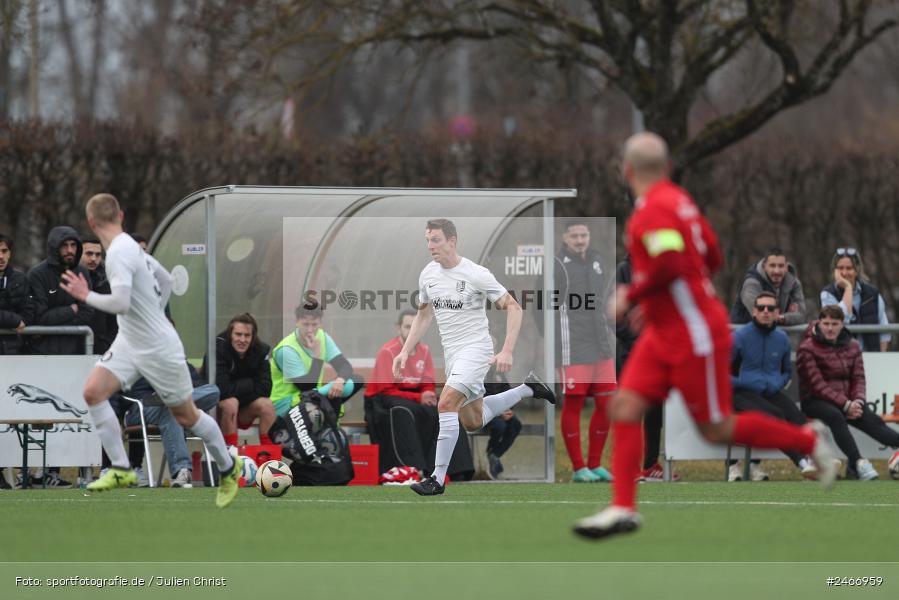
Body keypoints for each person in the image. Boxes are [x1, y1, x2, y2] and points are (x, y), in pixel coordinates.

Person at [573, 132, 837, 540]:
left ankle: (806, 437)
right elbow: (713, 255)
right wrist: (670, 300)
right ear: (668, 168)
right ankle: (623, 507)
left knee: (715, 427)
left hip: (693, 331)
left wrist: (635, 294)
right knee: (624, 405)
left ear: (626, 171)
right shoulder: (681, 202)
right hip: (667, 329)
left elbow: (670, 260)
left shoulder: (651, 211)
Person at [59, 193, 242, 507]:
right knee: (93, 392)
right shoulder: (131, 247)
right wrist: (151, 315)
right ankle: (120, 468)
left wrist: (85, 295)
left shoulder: (118, 252)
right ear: (122, 215)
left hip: (158, 347)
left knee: (186, 415)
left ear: (91, 222)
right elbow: (166, 279)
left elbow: (121, 302)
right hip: (132, 340)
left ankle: (228, 467)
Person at [393, 218, 556, 496]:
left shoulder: (476, 273)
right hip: (454, 355)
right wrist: (405, 349)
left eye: (436, 240)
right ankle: (528, 388)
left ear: (452, 240)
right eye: (428, 240)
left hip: (476, 350)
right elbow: (424, 314)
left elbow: (514, 307)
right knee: (472, 421)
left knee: (446, 403)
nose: (430, 246)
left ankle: (437, 478)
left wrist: (506, 350)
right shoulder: (428, 275)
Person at [538, 219, 616, 483]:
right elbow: (540, 304)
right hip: (572, 347)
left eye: (584, 235)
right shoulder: (556, 265)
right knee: (574, 403)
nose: (580, 240)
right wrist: (551, 339)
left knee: (607, 404)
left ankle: (595, 464)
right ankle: (578, 468)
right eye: (575, 236)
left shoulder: (596, 260)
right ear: (565, 237)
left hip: (600, 345)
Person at [796, 305, 899, 480]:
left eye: (834, 323)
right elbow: (817, 385)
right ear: (819, 323)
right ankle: (860, 463)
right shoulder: (807, 348)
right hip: (814, 401)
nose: (829, 328)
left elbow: (858, 378)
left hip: (848, 402)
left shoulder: (853, 345)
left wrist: (857, 400)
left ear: (842, 324)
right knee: (836, 416)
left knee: (871, 419)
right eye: (826, 323)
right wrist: (845, 404)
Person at [729, 291, 816, 481]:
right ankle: (802, 463)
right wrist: (745, 382)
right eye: (761, 308)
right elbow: (722, 373)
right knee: (774, 416)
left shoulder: (782, 338)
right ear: (754, 311)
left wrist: (777, 382)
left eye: (770, 308)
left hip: (769, 392)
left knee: (798, 418)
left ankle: (816, 461)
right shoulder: (739, 337)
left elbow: (786, 371)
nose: (765, 311)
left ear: (777, 312)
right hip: (740, 393)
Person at [615, 254, 675, 482]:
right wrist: (636, 340)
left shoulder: (662, 269)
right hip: (632, 353)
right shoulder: (624, 269)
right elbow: (612, 315)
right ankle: (627, 467)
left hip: (659, 352)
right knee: (630, 409)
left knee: (655, 411)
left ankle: (650, 465)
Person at [121, 363, 221, 488]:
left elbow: (198, 383)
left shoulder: (174, 356)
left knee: (213, 390)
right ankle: (181, 470)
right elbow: (129, 391)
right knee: (172, 409)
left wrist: (182, 389)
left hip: (174, 401)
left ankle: (176, 401)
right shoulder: (137, 357)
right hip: (142, 406)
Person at [270, 304, 365, 418]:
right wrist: (317, 356)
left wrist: (339, 381)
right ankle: (330, 427)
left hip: (314, 396)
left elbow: (345, 366)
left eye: (314, 324)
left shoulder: (323, 336)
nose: (310, 330)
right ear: (297, 322)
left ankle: (329, 428)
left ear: (320, 323)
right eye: (305, 324)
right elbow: (307, 387)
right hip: (286, 403)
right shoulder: (286, 349)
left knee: (353, 381)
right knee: (332, 396)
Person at [202, 313, 276, 447]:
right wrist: (250, 383)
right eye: (238, 334)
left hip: (244, 410)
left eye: (247, 335)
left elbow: (266, 388)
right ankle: (231, 455)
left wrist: (237, 389)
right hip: (214, 411)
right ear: (230, 334)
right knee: (230, 403)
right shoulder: (217, 349)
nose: (242, 339)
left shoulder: (260, 350)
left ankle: (268, 457)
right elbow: (221, 390)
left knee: (267, 405)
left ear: (253, 337)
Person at [27, 226, 95, 355]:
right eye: (64, 245)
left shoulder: (82, 272)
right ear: (54, 247)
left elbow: (88, 313)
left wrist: (55, 319)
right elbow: (39, 317)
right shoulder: (37, 274)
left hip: (77, 351)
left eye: (73, 245)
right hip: (42, 352)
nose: (70, 250)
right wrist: (71, 309)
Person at [820, 247, 891, 352]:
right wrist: (848, 288)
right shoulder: (827, 294)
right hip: (841, 357)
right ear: (835, 271)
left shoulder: (872, 294)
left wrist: (880, 357)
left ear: (857, 270)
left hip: (870, 356)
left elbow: (884, 330)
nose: (844, 273)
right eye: (840, 268)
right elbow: (841, 319)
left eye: (849, 268)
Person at [730, 248, 806, 325]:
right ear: (764, 266)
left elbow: (801, 315)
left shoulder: (794, 283)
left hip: (776, 333)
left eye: (781, 266)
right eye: (772, 266)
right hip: (744, 333)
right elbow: (761, 316)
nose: (777, 271)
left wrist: (782, 318)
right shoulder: (751, 284)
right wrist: (788, 316)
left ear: (786, 267)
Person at [482, 364, 522, 480]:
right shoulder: (477, 369)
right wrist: (498, 411)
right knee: (499, 426)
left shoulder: (498, 371)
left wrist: (509, 408)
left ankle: (494, 455)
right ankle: (491, 453)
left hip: (501, 412)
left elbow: (508, 392)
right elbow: (478, 396)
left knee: (516, 424)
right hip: (482, 412)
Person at [80, 233, 118, 354]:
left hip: (102, 351)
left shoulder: (108, 281)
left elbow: (114, 321)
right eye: (89, 254)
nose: (93, 259)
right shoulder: (67, 279)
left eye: (97, 254)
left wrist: (106, 343)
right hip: (71, 349)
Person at [0, 233, 33, 355]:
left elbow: (29, 314)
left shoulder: (21, 279)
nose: (1, 256)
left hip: (14, 351)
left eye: (4, 251)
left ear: (10, 253)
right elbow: (19, 320)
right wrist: (13, 320)